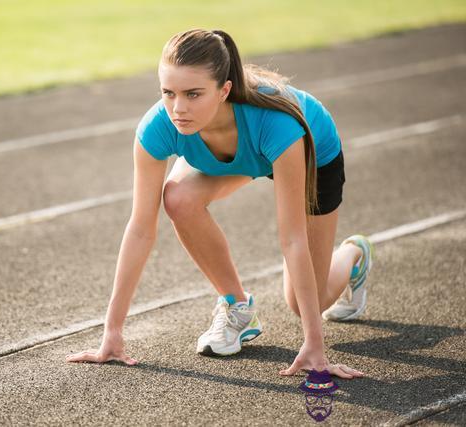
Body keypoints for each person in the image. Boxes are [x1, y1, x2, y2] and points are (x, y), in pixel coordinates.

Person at [66, 28, 374, 379]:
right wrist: (113, 332)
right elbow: (140, 229)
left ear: (224, 89)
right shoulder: (159, 126)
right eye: (169, 93)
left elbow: (292, 238)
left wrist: (314, 344)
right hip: (235, 153)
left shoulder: (280, 125)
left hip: (309, 155)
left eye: (193, 94)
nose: (178, 109)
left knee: (307, 303)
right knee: (178, 199)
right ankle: (237, 306)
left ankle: (353, 255)